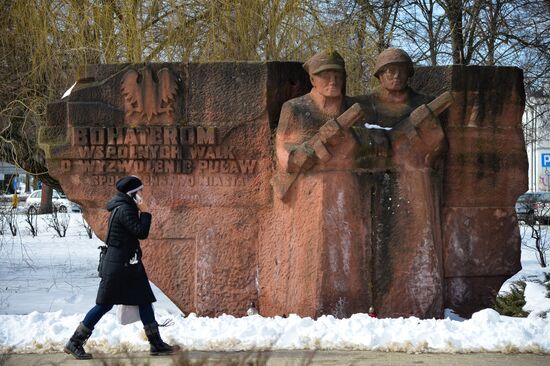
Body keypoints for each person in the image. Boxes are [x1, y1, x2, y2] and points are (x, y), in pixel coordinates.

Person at [262, 50, 370, 318]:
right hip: (307, 190)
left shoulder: (354, 109)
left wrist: (351, 142)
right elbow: (282, 147)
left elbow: (372, 145)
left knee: (346, 247)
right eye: (325, 75)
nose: (332, 81)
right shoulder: (296, 108)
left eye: (337, 75)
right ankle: (302, 305)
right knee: (307, 248)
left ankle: (350, 306)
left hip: (345, 186)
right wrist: (298, 155)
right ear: (312, 78)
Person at [64, 176, 179, 359]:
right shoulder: (125, 209)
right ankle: (75, 342)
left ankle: (156, 344)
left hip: (129, 266)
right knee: (104, 305)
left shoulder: (125, 207)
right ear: (133, 194)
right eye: (140, 191)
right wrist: (146, 212)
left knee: (144, 300)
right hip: (118, 267)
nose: (142, 195)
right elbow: (141, 232)